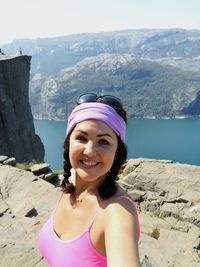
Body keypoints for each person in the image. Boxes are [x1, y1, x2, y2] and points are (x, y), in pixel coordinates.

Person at [38, 93, 141, 267]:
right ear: (68, 142)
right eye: (81, 138)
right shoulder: (71, 184)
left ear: (117, 152)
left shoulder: (116, 212)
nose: (90, 151)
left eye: (104, 142)